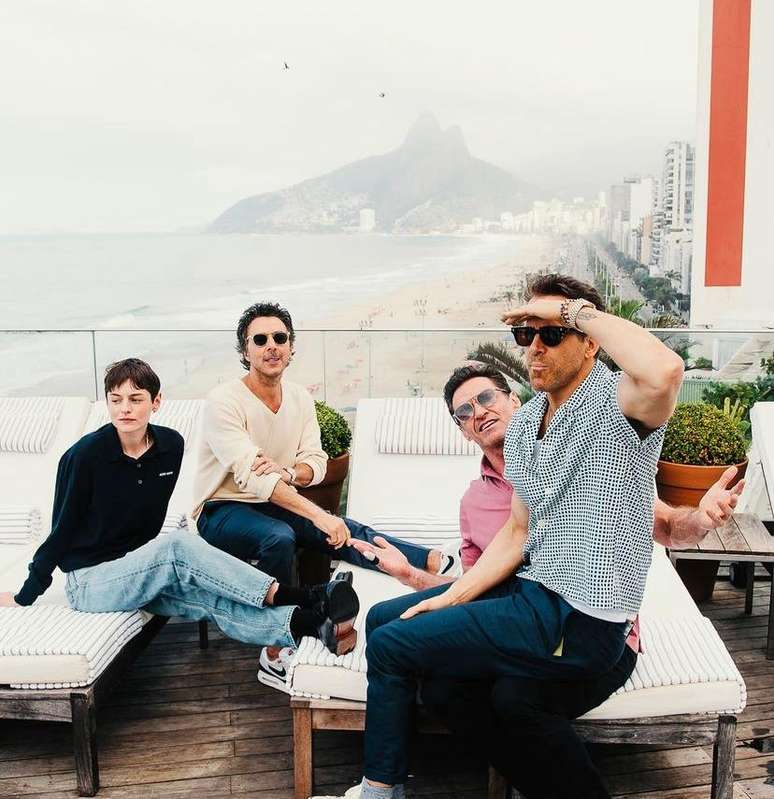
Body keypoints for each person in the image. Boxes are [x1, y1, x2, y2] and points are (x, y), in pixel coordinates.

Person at [313, 272, 688, 799]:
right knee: (398, 633)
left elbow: (666, 370)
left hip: (583, 619)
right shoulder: (532, 418)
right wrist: (447, 598)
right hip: (534, 597)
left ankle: (380, 790)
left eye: (551, 333)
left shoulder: (617, 403)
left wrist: (573, 311)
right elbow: (516, 534)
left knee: (395, 645)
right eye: (525, 334)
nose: (535, 345)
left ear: (589, 342)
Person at [351, 361, 744, 799]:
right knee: (399, 639)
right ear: (463, 432)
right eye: (464, 412)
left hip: (586, 627)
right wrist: (411, 576)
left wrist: (700, 520)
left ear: (514, 400)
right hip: (514, 618)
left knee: (515, 700)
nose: (478, 412)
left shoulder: (581, 462)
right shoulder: (475, 502)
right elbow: (472, 588)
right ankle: (405, 771)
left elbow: (668, 525)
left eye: (486, 398)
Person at [0, 358, 361, 658]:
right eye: (116, 399)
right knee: (177, 544)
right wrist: (26, 594)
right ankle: (307, 595)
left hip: (140, 567)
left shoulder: (169, 446)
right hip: (90, 582)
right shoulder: (83, 457)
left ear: (156, 402)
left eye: (136, 399)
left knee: (210, 599)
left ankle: (311, 625)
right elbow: (60, 532)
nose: (125, 408)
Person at [192, 302, 456, 688]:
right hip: (220, 508)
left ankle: (429, 561)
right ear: (245, 350)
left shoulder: (298, 398)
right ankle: (274, 646)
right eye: (260, 339)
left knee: (341, 528)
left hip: (273, 498)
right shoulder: (224, 402)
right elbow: (251, 476)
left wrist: (289, 472)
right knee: (280, 536)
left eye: (279, 338)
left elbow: (314, 460)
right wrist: (315, 512)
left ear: (292, 346)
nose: (271, 346)